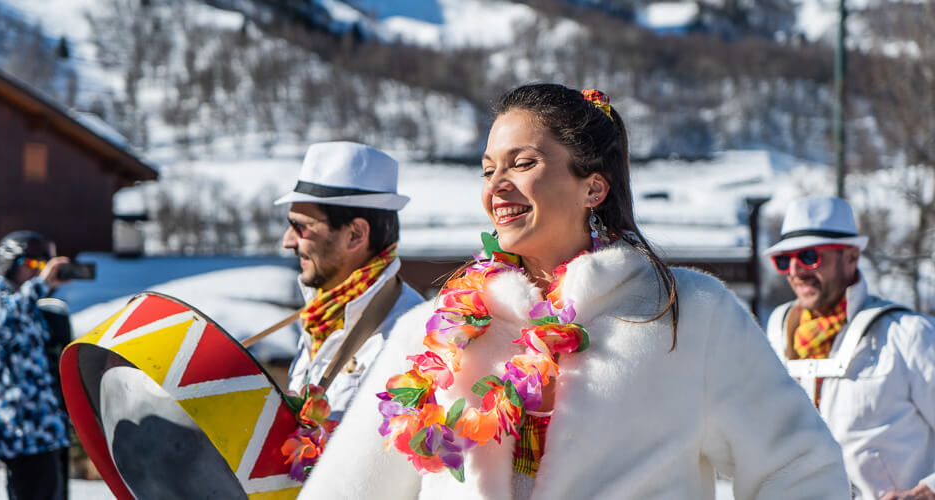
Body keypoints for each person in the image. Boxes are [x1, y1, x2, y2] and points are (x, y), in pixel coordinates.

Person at [297, 84, 849, 499]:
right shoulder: (433, 333)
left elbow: (799, 468)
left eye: (524, 163)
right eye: (488, 169)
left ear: (593, 185)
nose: (498, 186)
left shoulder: (690, 316)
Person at [764, 196, 935, 500]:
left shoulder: (909, 334)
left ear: (852, 257)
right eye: (783, 260)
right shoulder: (776, 333)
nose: (795, 270)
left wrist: (925, 492)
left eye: (809, 256)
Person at [275, 141, 424, 421]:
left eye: (301, 227)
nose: (287, 241)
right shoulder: (321, 314)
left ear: (355, 234)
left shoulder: (412, 337)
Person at [0, 231, 72, 500]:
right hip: (23, 435)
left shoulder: (32, 309)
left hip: (47, 431)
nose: (40, 273)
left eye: (45, 266)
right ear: (10, 264)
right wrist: (41, 284)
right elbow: (3, 320)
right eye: (33, 265)